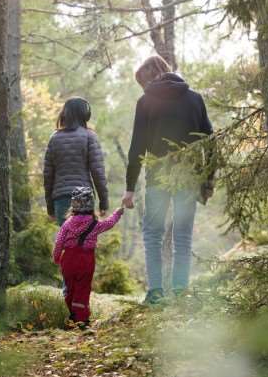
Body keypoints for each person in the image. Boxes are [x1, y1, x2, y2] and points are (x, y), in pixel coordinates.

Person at [121, 55, 214, 305]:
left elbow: (137, 147)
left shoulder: (145, 102)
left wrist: (129, 188)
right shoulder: (194, 99)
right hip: (189, 175)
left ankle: (155, 293)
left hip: (157, 177)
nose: (143, 88)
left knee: (152, 234)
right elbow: (210, 138)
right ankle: (181, 292)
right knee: (182, 236)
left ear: (151, 76)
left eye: (143, 82)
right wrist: (208, 177)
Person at [53, 187, 124, 327]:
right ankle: (81, 318)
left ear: (73, 204)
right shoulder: (95, 224)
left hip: (68, 259)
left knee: (69, 288)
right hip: (86, 259)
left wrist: (56, 257)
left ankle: (71, 314)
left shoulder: (67, 224)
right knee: (83, 288)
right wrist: (117, 213)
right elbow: (109, 223)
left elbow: (59, 241)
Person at [43, 97, 109, 225]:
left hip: (60, 198)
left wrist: (50, 206)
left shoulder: (54, 138)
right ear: (85, 115)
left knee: (66, 241)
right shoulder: (89, 136)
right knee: (83, 240)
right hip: (83, 195)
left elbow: (48, 176)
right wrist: (103, 202)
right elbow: (98, 172)